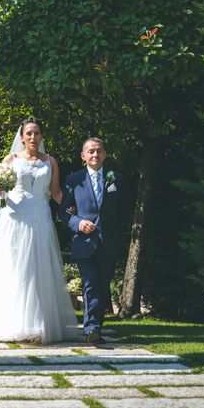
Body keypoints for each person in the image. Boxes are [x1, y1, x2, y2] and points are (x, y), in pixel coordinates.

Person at [0, 117, 78, 344]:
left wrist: (74, 209)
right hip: (15, 219)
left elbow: (56, 192)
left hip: (40, 218)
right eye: (28, 133)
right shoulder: (11, 159)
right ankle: (14, 324)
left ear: (41, 136)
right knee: (17, 268)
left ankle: (38, 325)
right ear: (21, 137)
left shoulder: (50, 161)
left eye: (36, 133)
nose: (33, 137)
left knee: (38, 269)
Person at [59, 137, 125, 344]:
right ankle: (92, 329)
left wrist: (118, 234)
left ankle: (96, 325)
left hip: (108, 241)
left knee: (103, 285)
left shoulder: (117, 179)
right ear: (83, 156)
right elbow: (64, 212)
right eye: (91, 151)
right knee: (89, 284)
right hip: (84, 242)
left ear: (104, 154)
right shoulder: (73, 179)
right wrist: (78, 223)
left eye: (99, 151)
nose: (95, 155)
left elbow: (123, 212)